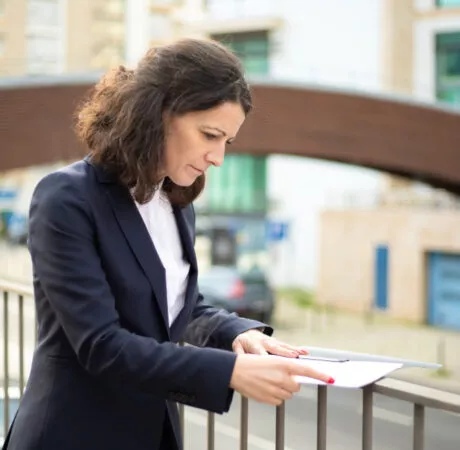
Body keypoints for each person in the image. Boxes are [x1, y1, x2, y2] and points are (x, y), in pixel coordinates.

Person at [3, 38, 334, 450]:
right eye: (209, 135)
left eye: (226, 142)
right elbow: (101, 345)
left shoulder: (176, 201)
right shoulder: (66, 198)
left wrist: (235, 333)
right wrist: (229, 371)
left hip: (149, 434)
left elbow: (176, 305)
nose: (218, 158)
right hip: (72, 434)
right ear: (158, 113)